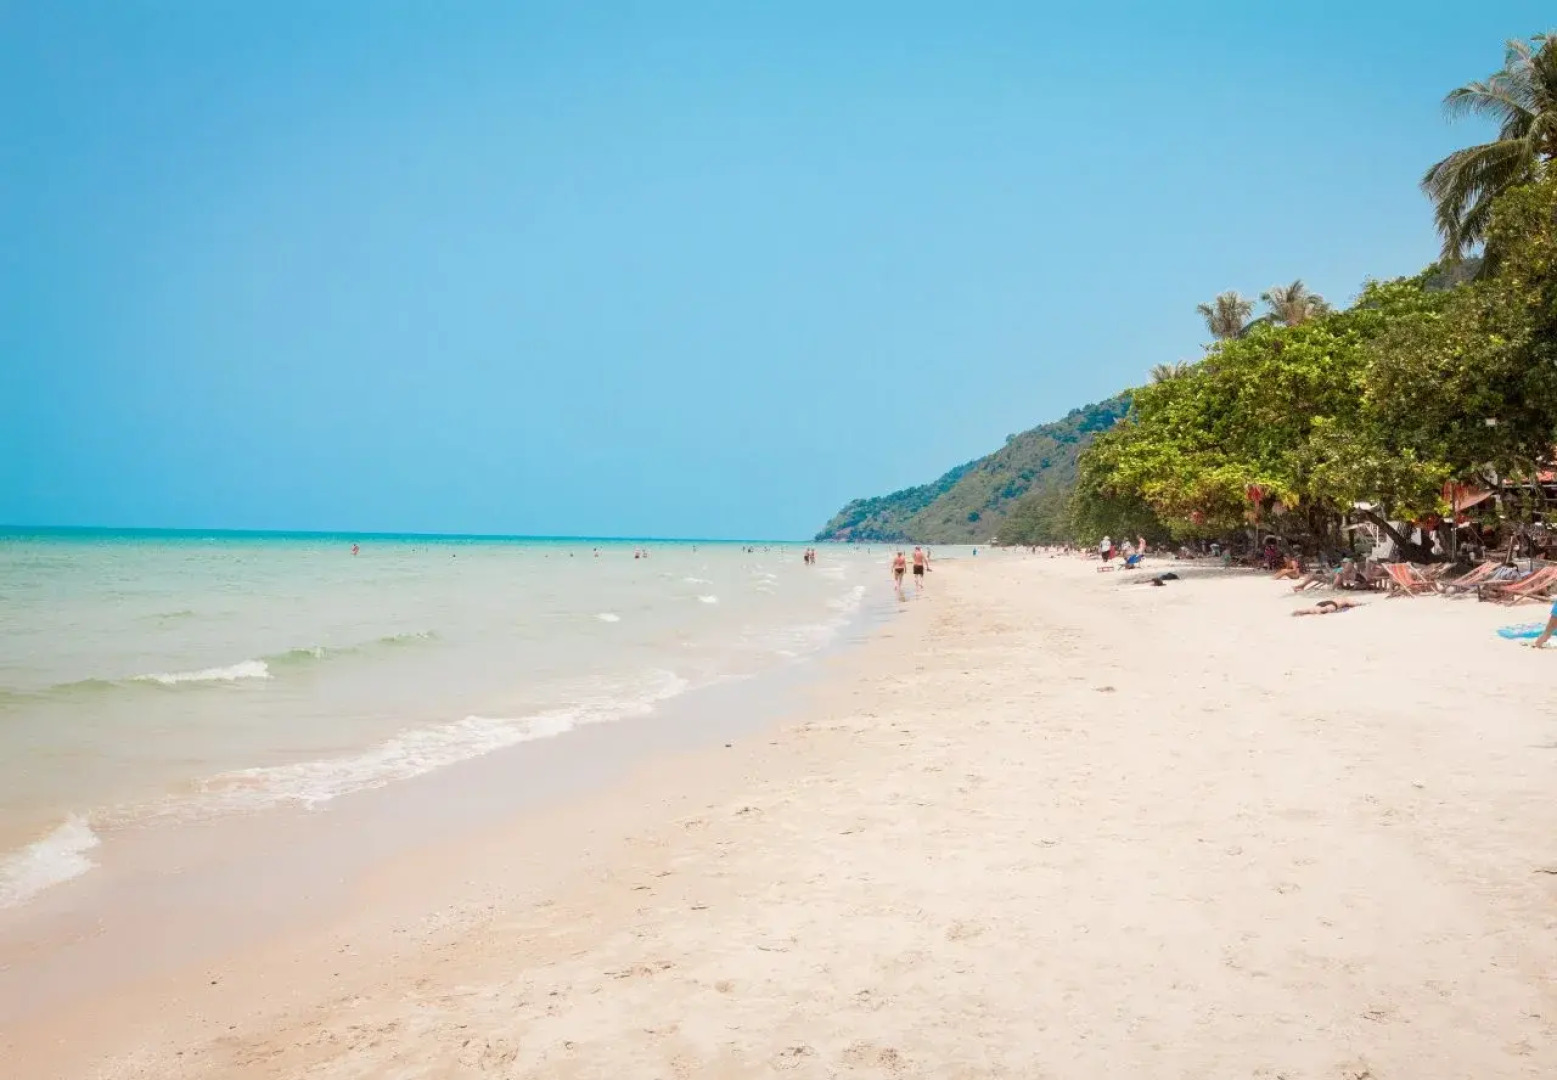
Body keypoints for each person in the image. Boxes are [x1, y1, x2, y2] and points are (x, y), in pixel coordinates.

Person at [1292, 598, 1362, 617]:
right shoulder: (1346, 600)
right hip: (1333, 604)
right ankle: (1317, 612)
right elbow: (1354, 604)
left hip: (1323, 602)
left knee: (1311, 610)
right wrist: (1361, 604)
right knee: (1325, 610)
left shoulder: (1338, 598)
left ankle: (1301, 611)